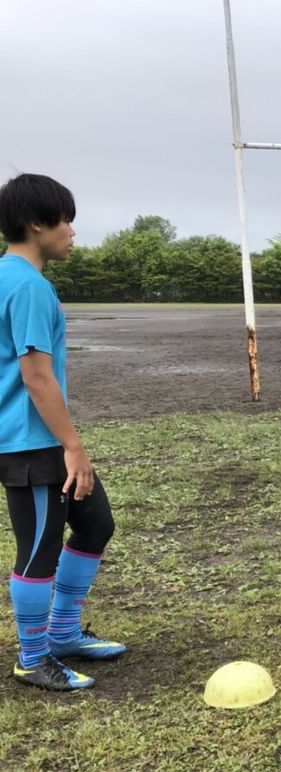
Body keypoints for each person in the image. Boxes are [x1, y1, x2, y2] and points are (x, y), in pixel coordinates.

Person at [1, 174, 125, 692]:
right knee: (38, 549)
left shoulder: (12, 277)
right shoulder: (27, 285)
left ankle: (64, 632)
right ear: (36, 223)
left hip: (40, 439)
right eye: (65, 220)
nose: (73, 232)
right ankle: (34, 658)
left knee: (95, 524)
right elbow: (35, 374)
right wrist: (73, 446)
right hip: (31, 444)